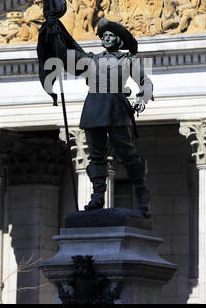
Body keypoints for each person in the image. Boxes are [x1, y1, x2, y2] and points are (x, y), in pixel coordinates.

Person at [42, 14, 154, 217]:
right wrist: (55, 33)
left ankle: (141, 191)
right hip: (94, 107)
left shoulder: (128, 61)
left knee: (127, 153)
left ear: (118, 40)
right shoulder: (91, 60)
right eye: (104, 35)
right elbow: (67, 58)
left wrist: (141, 99)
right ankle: (98, 195)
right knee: (96, 155)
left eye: (111, 35)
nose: (107, 38)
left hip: (116, 107)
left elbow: (146, 83)